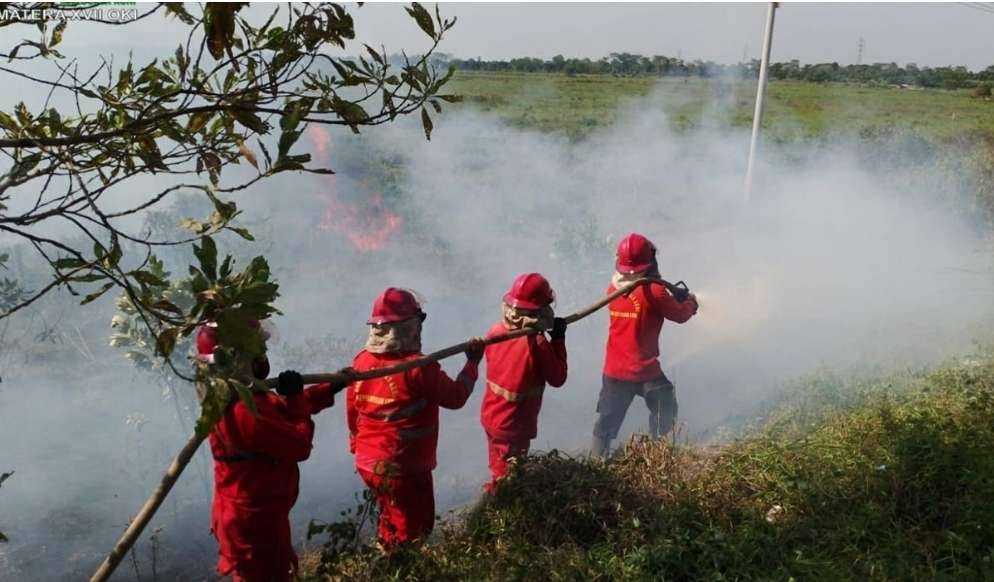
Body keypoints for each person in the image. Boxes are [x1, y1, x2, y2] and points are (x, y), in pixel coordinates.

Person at [198, 320, 353, 582]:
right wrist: (295, 399)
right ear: (238, 358)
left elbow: (281, 411)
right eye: (257, 349)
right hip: (255, 523)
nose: (262, 356)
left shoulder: (240, 397)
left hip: (250, 514)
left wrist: (330, 387)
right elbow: (299, 444)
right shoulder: (244, 412)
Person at [347, 288, 484, 546]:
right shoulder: (419, 368)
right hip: (403, 467)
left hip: (368, 462)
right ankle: (399, 567)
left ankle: (386, 553)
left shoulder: (361, 362)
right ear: (411, 327)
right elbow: (456, 398)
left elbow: (353, 409)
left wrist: (356, 444)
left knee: (390, 517)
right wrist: (472, 363)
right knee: (411, 531)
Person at [592, 233, 698, 457]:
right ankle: (657, 454)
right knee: (665, 406)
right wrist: (690, 303)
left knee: (607, 423)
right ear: (650, 261)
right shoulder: (654, 291)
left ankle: (595, 463)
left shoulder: (612, 288)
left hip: (614, 370)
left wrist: (670, 295)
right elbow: (680, 315)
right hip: (644, 370)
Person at [479, 273, 568, 492]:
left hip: (492, 417)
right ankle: (499, 507)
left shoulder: (496, 331)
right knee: (510, 478)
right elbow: (558, 378)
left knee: (498, 467)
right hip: (514, 425)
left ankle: (495, 495)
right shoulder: (536, 342)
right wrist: (557, 339)